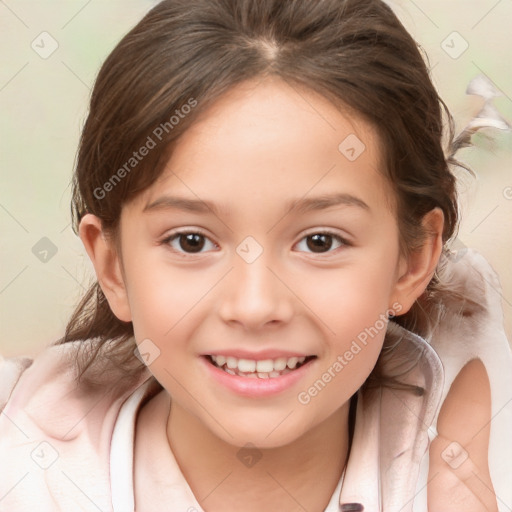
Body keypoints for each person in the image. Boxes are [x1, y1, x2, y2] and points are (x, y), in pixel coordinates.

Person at [1, 0, 511, 510]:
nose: (254, 305)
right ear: (114, 268)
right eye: (191, 241)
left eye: (319, 241)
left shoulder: (474, 470)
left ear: (413, 261)